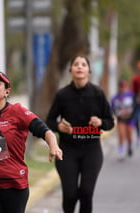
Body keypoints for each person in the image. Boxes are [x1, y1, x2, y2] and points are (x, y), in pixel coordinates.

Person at [0, 67, 63, 213]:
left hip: (14, 184)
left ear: (7, 91)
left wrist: (54, 146)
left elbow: (45, 131)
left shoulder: (17, 112)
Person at [46, 55, 115, 213]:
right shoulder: (62, 95)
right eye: (76, 64)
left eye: (83, 64)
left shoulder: (97, 93)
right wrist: (59, 126)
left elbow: (110, 121)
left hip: (91, 149)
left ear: (89, 71)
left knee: (86, 192)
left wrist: (100, 123)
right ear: (70, 70)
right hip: (68, 150)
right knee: (70, 194)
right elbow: (49, 121)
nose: (79, 67)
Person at [111, 80, 135, 160]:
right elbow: (112, 109)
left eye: (124, 86)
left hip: (130, 118)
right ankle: (121, 152)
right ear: (119, 87)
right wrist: (118, 114)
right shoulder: (115, 97)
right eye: (121, 87)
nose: (123, 88)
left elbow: (135, 105)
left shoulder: (131, 95)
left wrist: (130, 111)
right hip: (121, 119)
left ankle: (129, 146)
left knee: (129, 135)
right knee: (121, 135)